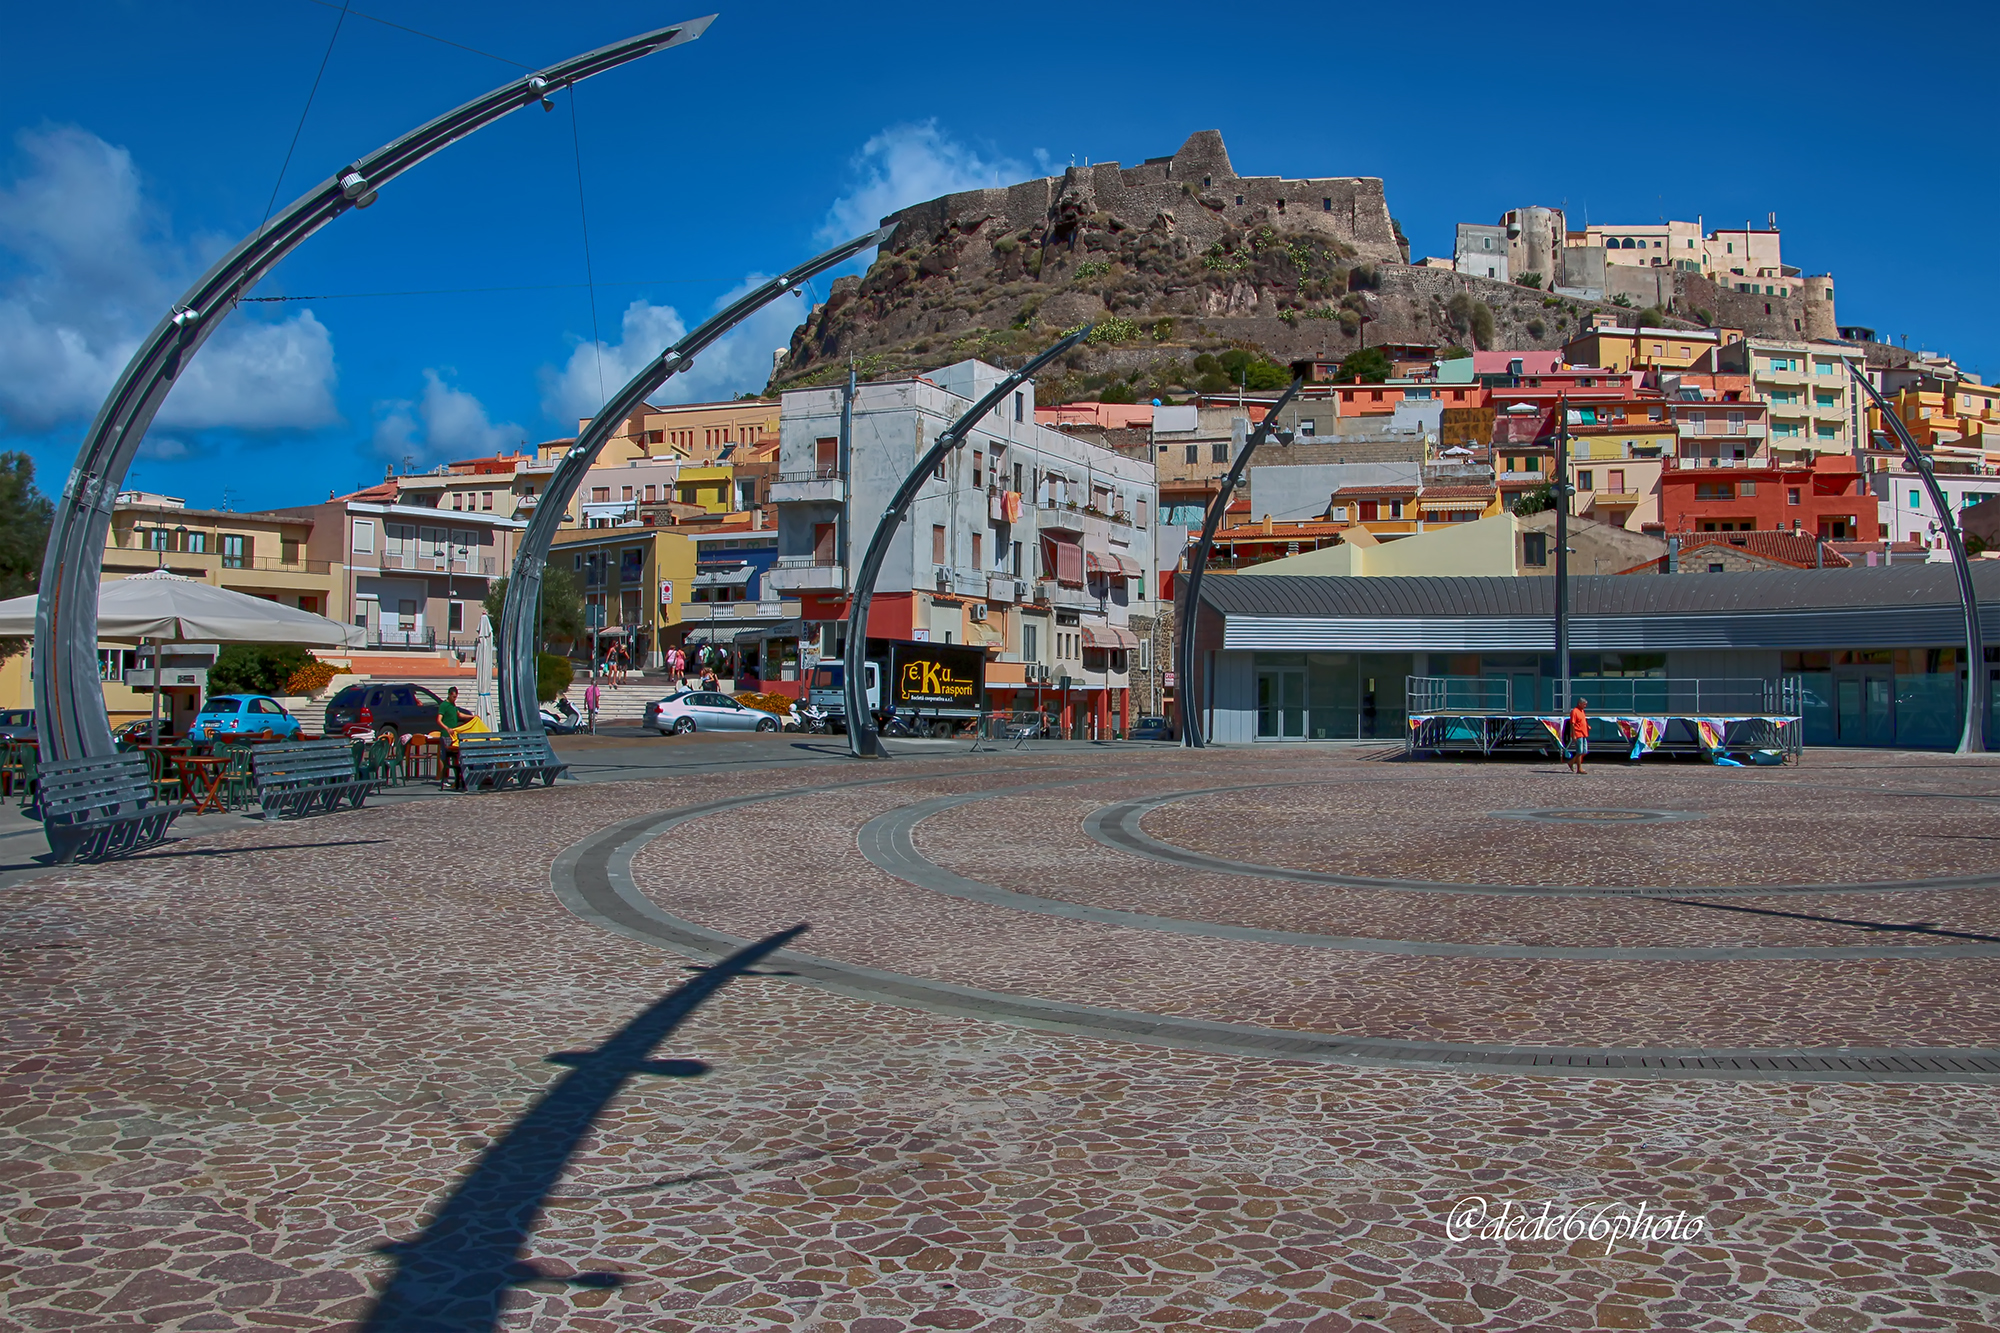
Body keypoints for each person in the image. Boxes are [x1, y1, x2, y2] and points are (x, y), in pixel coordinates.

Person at [1566, 696, 1590, 774]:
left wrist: (1587, 726)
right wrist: (1574, 734)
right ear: (1579, 704)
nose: (1585, 706)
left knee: (1584, 751)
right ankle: (1579, 768)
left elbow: (1583, 721)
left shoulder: (1582, 711)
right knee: (1579, 752)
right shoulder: (1574, 711)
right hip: (1578, 733)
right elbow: (1572, 724)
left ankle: (1571, 762)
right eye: (1584, 704)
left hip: (1584, 733)